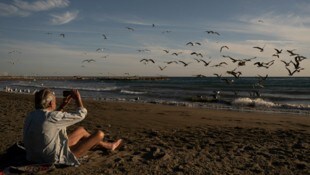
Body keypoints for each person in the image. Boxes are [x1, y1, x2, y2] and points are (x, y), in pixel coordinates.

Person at [23, 88, 122, 166]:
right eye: (54, 100)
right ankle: (107, 145)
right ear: (50, 103)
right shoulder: (53, 117)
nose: (55, 102)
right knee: (99, 134)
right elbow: (81, 114)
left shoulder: (31, 115)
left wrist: (62, 106)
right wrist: (78, 98)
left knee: (81, 130)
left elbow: (49, 120)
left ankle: (109, 146)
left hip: (32, 156)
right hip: (53, 159)